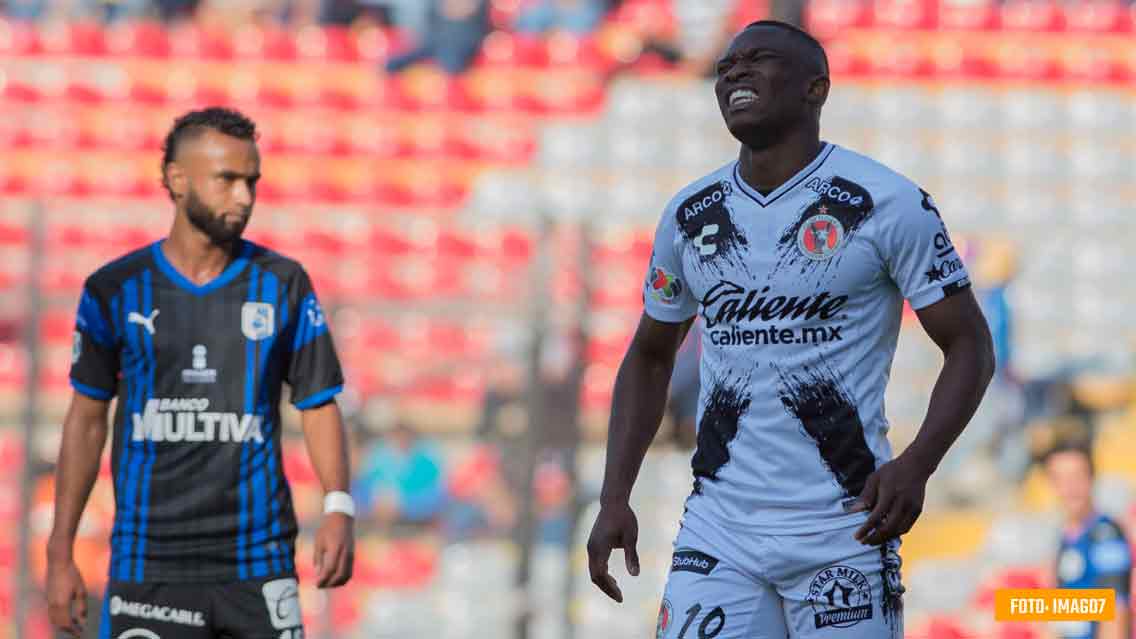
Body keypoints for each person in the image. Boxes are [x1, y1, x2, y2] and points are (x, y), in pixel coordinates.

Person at [585, 20, 996, 639]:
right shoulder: (691, 214)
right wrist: (615, 495)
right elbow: (648, 355)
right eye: (725, 67)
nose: (735, 74)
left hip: (845, 530)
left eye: (759, 60)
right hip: (718, 532)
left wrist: (918, 463)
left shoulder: (886, 203)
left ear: (816, 89)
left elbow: (970, 345)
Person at [45, 107, 355, 639]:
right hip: (149, 567)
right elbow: (87, 418)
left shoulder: (282, 284)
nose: (245, 197)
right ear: (177, 179)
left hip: (259, 564)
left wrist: (338, 506)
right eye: (227, 180)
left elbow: (317, 403)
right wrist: (60, 550)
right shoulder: (115, 290)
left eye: (252, 181)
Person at [1043, 441, 1132, 639]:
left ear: (1091, 478)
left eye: (1076, 477)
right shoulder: (1064, 537)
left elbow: (1115, 615)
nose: (1069, 487)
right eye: (1060, 479)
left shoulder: (1106, 535)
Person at [383, 0, 490, 76]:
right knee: (392, 63)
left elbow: (462, 10)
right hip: (435, 39)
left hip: (461, 41)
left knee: (449, 67)